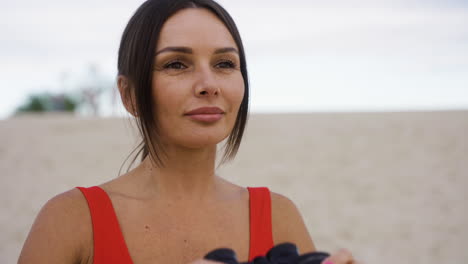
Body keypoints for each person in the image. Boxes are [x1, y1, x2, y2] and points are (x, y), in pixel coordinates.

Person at [18, 0, 358, 263]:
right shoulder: (71, 220)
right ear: (130, 94)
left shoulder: (278, 216)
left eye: (225, 64)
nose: (208, 84)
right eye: (176, 64)